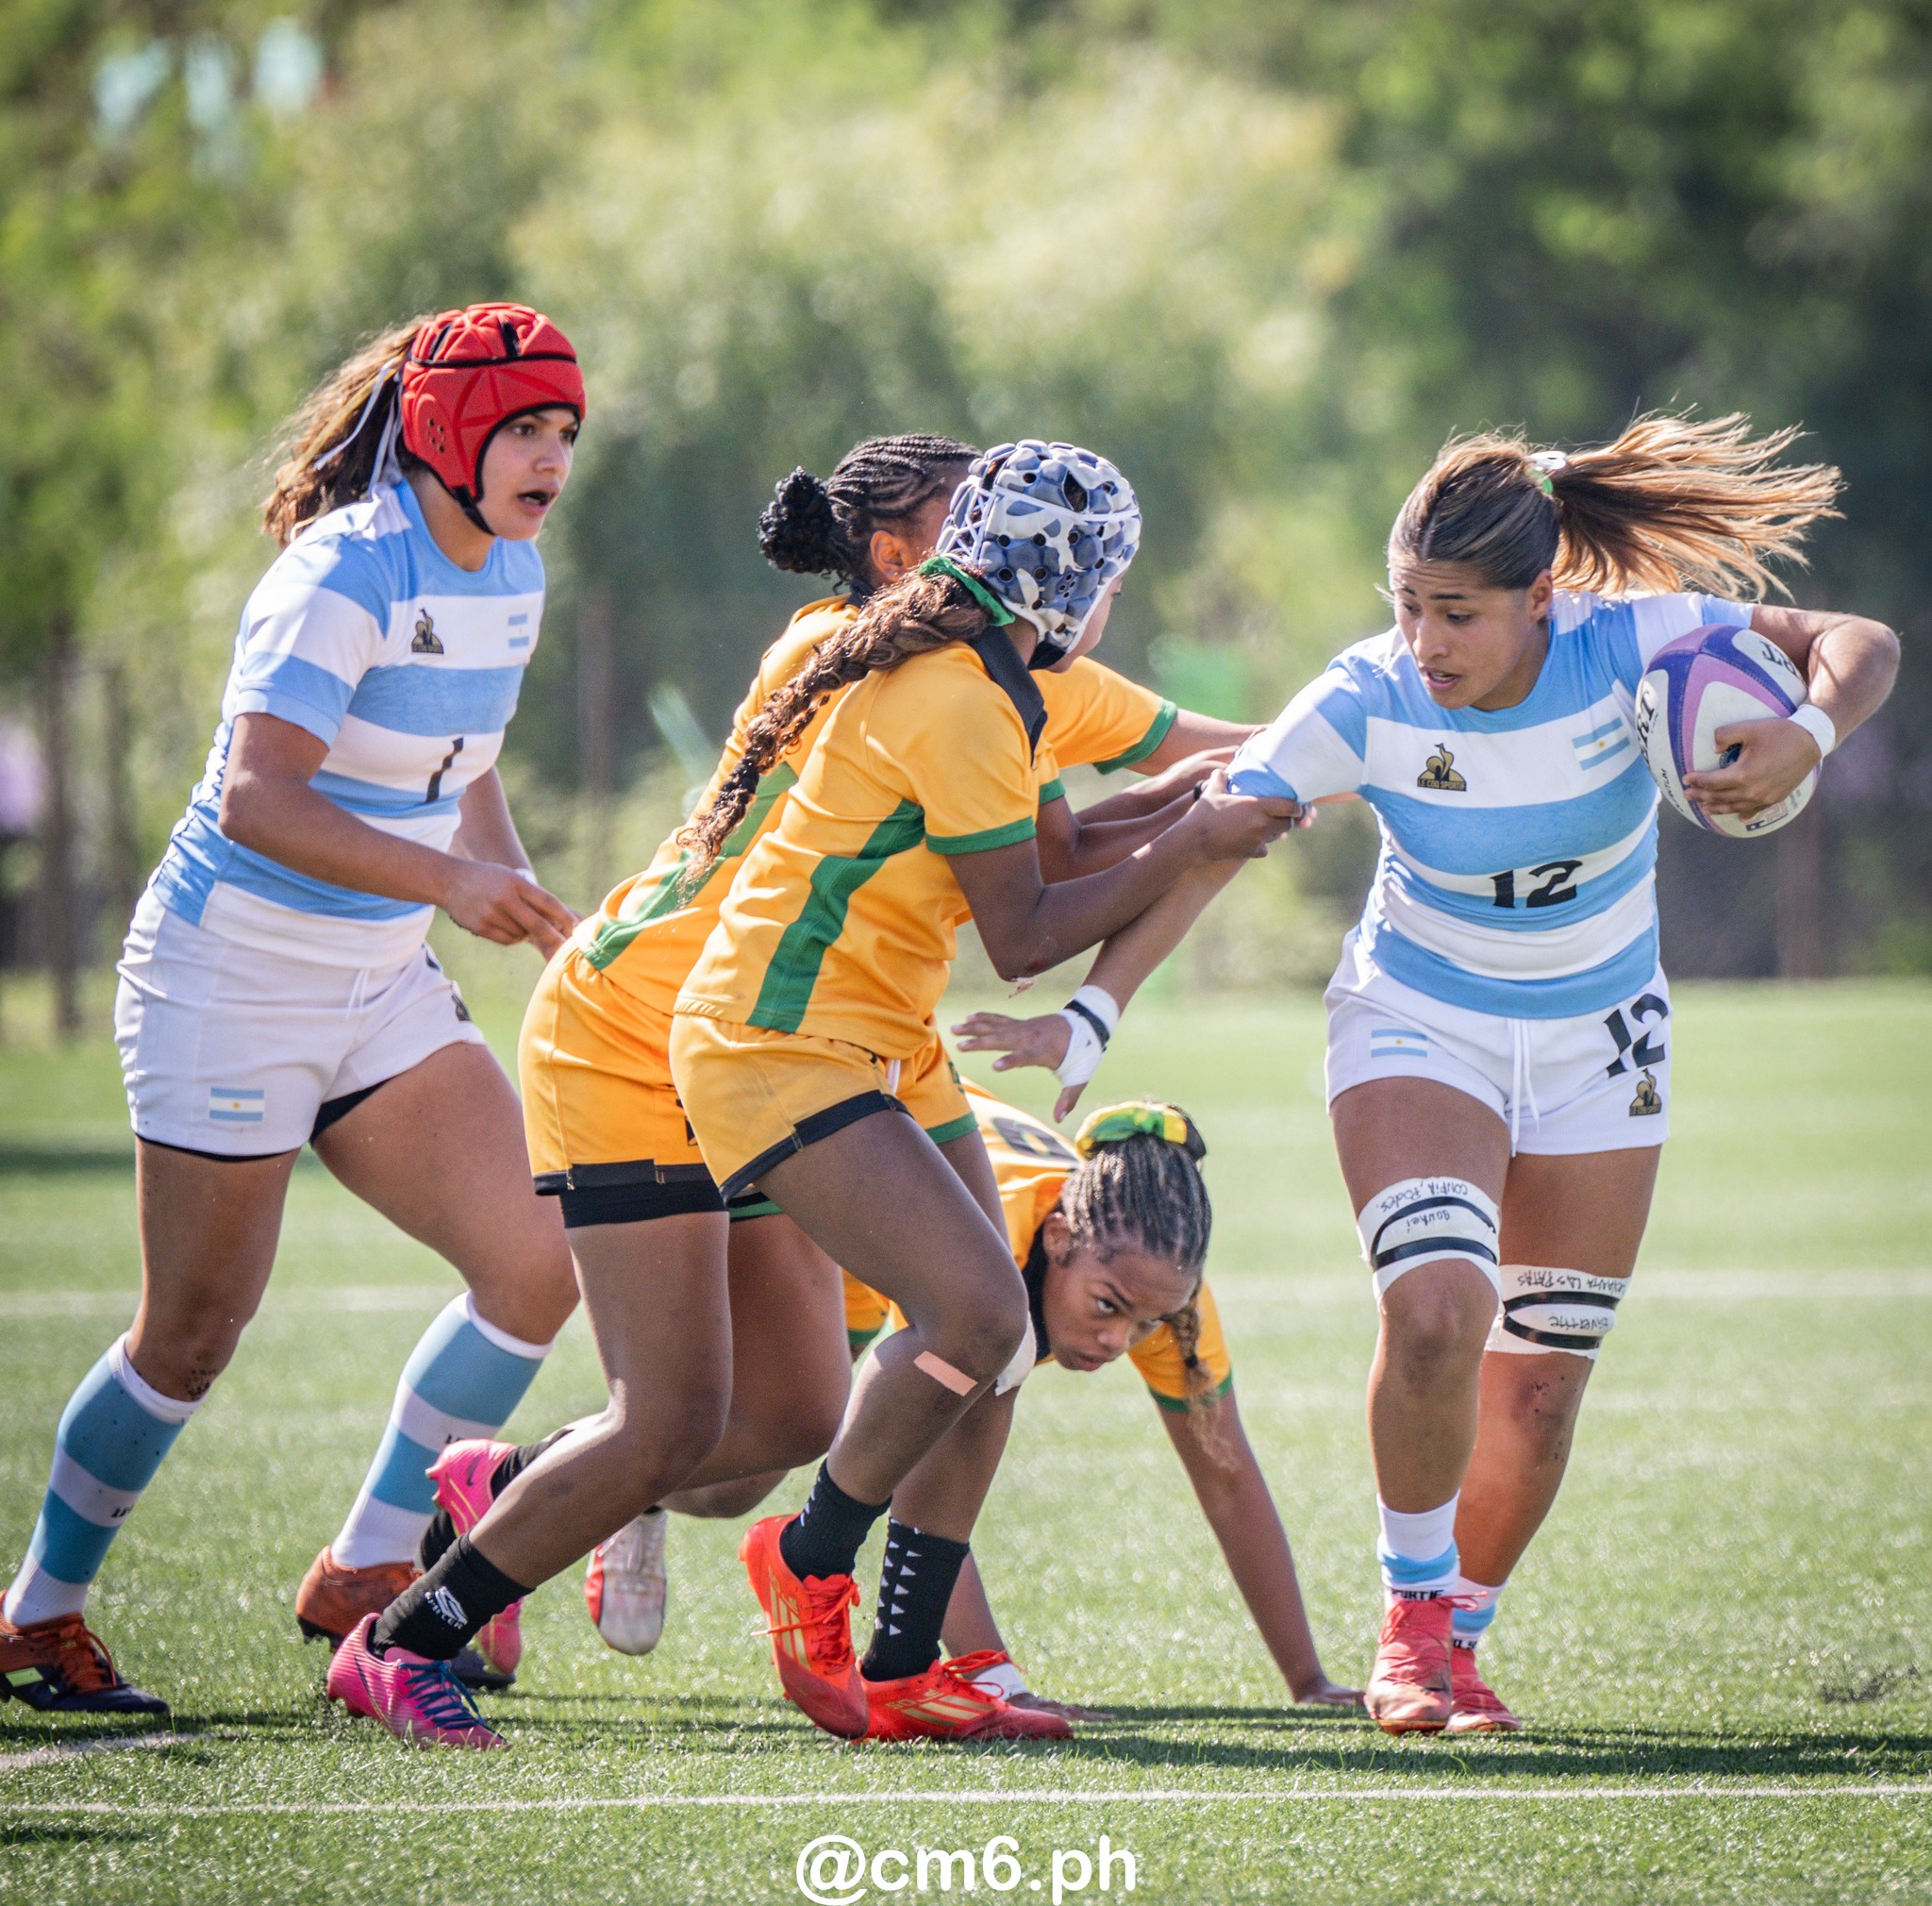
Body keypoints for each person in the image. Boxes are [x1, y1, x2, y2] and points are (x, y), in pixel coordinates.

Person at [319, 437, 1265, 1747]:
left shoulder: (983, 667)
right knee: (689, 1419)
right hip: (692, 1033)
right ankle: (430, 1627)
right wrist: (1208, 826)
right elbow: (1032, 917)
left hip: (857, 1029)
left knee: (845, 1394)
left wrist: (1289, 769)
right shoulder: (937, 680)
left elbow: (1090, 815)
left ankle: (900, 1654)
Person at [1211, 415, 1899, 1733]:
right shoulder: (1369, 693)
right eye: (1408, 606)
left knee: (1539, 1380)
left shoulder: (1635, 638)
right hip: (1421, 1017)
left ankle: (1464, 1637)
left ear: (1543, 597)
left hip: (1604, 1040)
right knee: (1433, 1308)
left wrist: (1809, 731)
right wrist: (1089, 1006)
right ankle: (1408, 1631)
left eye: (1457, 613)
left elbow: (1860, 641)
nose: (1427, 639)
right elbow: (1222, 822)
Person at [0, 306, 587, 1716]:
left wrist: (503, 877)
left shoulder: (515, 565)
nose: (551, 457)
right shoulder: (340, 572)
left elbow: (469, 762)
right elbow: (262, 801)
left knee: (535, 1264)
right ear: (448, 434)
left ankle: (369, 1567)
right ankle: (38, 1616)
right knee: (191, 1335)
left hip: (375, 980)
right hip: (229, 980)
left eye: (566, 431)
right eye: (523, 428)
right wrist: (452, 881)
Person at [831, 1083, 1360, 1727]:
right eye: (1106, 1306)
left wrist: (1308, 1680)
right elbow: (918, 1468)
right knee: (752, 1444)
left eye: (1146, 1323)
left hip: (867, 1243)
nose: (1118, 1341)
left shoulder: (1163, 1295)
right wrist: (999, 1683)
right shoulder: (991, 1243)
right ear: (1057, 1238)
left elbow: (1227, 1477)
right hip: (822, 1160)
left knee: (747, 1468)